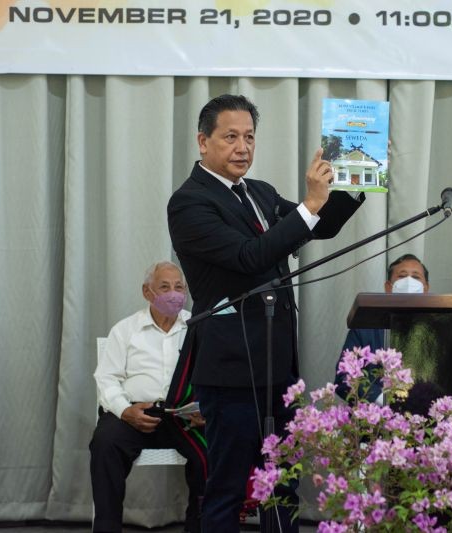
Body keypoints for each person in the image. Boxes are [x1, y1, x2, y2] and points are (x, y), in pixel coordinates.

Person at [167, 94, 364, 532]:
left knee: (283, 484)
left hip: (277, 362)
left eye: (250, 137)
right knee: (229, 488)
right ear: (203, 141)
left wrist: (357, 176)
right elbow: (249, 257)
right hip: (232, 367)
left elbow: (321, 225)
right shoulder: (189, 203)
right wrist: (310, 204)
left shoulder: (258, 192)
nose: (243, 148)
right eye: (231, 137)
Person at [90, 261, 205, 533]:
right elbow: (107, 378)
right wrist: (125, 411)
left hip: (183, 416)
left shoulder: (197, 327)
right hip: (135, 414)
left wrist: (205, 409)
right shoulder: (125, 330)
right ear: (147, 292)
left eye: (179, 287)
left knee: (216, 447)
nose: (174, 293)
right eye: (164, 287)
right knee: (105, 444)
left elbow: (213, 375)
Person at [334, 253, 430, 402]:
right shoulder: (366, 327)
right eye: (402, 276)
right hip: (375, 420)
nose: (409, 282)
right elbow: (344, 376)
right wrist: (381, 400)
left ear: (426, 288)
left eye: (416, 277)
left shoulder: (436, 329)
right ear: (388, 287)